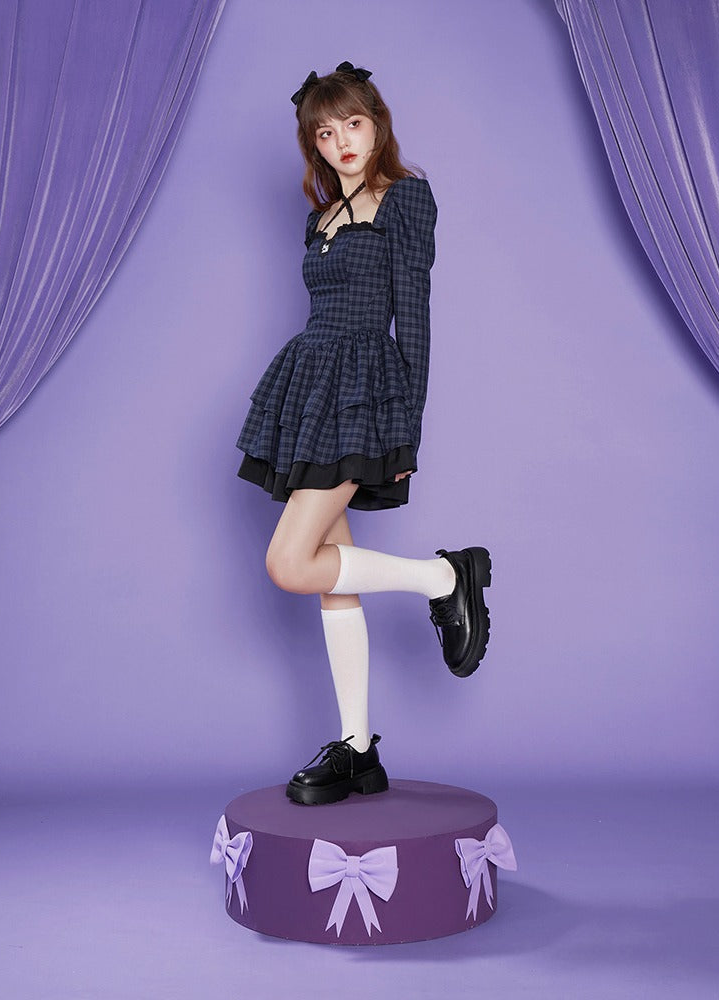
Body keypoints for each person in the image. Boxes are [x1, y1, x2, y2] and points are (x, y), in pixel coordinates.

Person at [235, 61, 492, 805]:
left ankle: (445, 578)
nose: (342, 140)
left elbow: (414, 316)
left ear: (377, 124)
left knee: (290, 563)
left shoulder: (406, 200)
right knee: (331, 580)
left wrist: (408, 424)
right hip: (310, 386)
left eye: (353, 123)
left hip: (363, 389)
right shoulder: (319, 219)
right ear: (312, 144)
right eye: (325, 131)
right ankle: (357, 750)